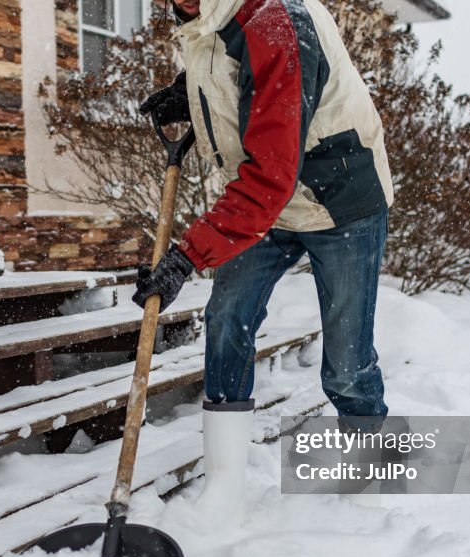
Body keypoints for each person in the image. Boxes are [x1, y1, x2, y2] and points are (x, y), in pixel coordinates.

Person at [133, 0, 394, 519]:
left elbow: (271, 172)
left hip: (338, 202)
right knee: (228, 318)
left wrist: (188, 256)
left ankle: (368, 481)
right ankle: (225, 482)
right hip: (268, 203)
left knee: (346, 361)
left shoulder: (278, 22)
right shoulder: (211, 14)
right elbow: (240, 75)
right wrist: (193, 93)